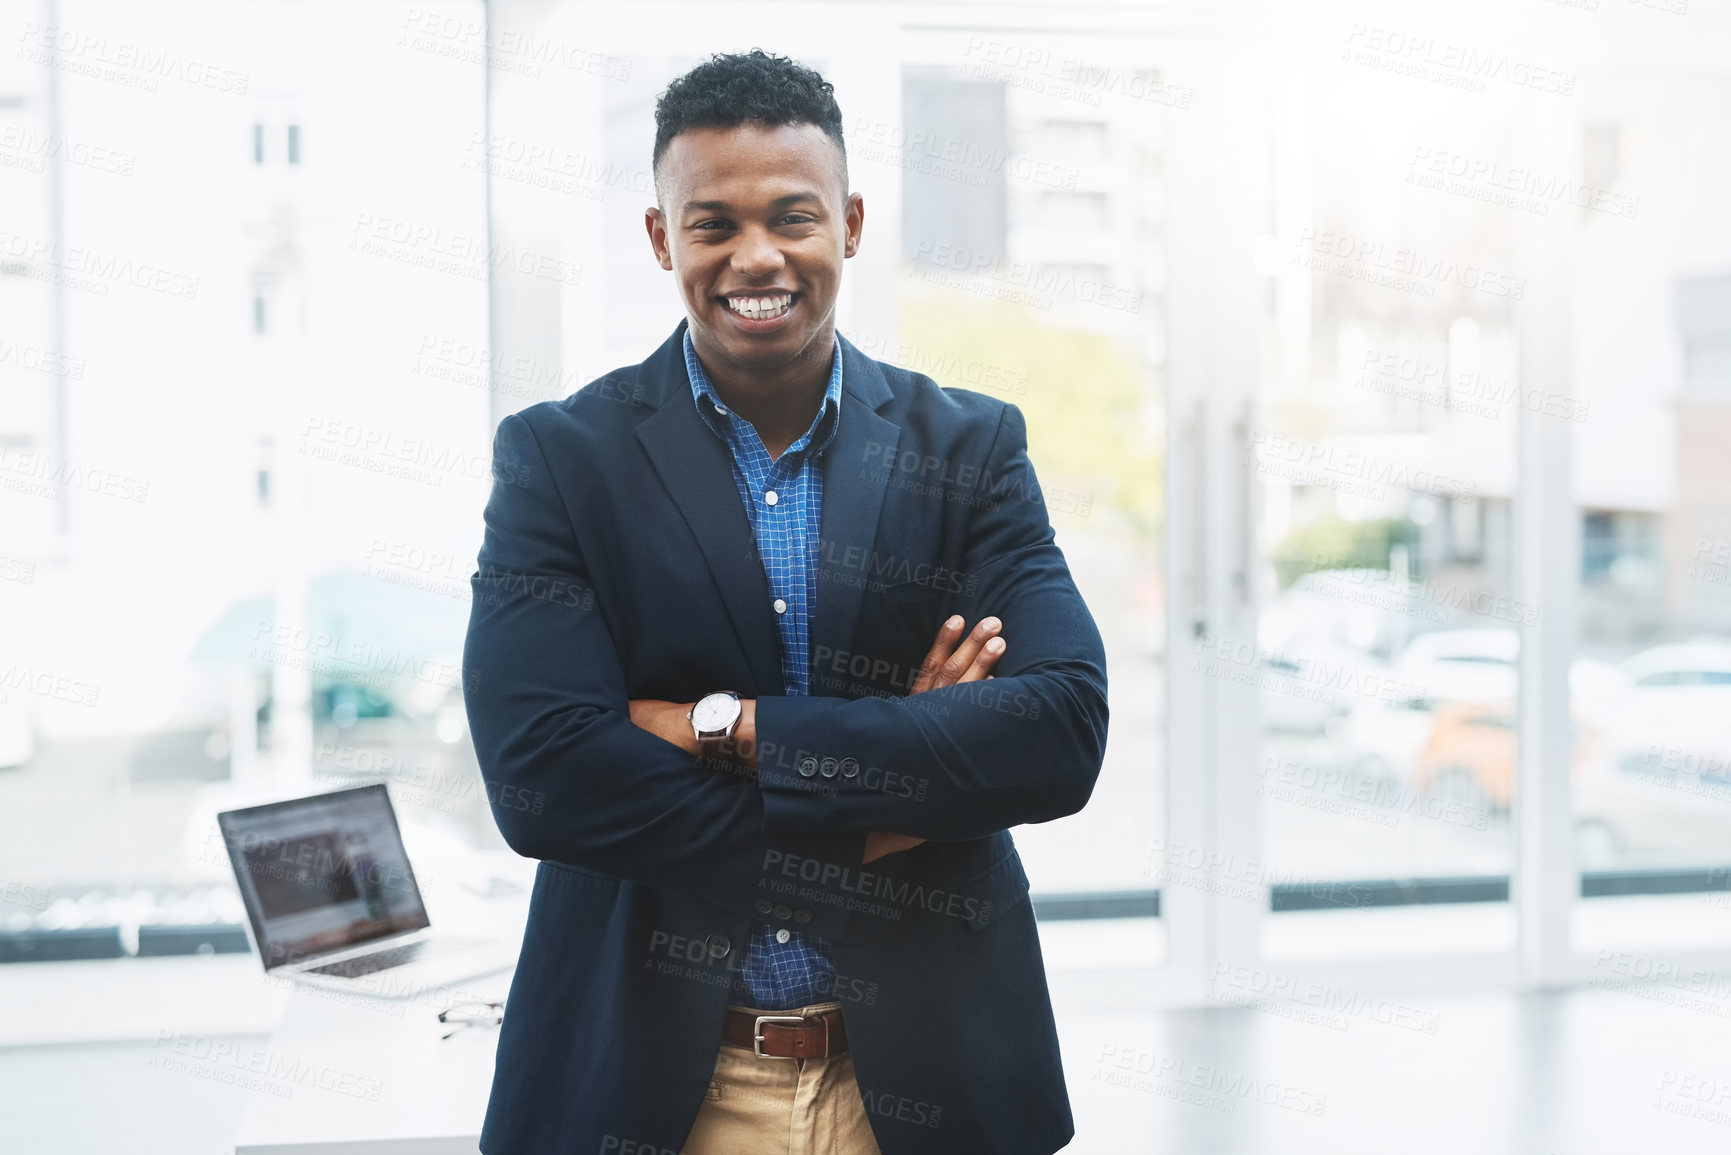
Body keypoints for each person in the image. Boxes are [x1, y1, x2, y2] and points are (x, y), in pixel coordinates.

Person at [462, 48, 1108, 1155]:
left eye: (793, 218)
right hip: (659, 1088)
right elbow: (546, 779)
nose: (755, 256)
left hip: (925, 1080)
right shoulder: (563, 461)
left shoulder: (971, 448)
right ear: (664, 240)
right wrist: (910, 780)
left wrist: (727, 728)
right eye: (713, 224)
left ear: (850, 224)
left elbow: (1057, 734)